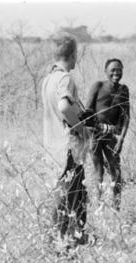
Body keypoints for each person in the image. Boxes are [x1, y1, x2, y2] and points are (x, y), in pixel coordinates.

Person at [42, 34, 92, 248]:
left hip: (52, 146)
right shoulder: (65, 79)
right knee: (71, 196)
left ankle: (65, 240)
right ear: (73, 55)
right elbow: (64, 107)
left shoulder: (47, 79)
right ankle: (64, 242)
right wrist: (81, 128)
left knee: (65, 194)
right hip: (68, 147)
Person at [85, 58, 130, 210]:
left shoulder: (124, 90)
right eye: (113, 70)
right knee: (98, 171)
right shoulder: (98, 86)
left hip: (112, 137)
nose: (116, 72)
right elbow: (87, 113)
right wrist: (97, 128)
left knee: (115, 171)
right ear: (106, 72)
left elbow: (126, 117)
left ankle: (117, 208)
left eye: (119, 69)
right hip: (95, 135)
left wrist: (121, 139)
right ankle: (98, 206)